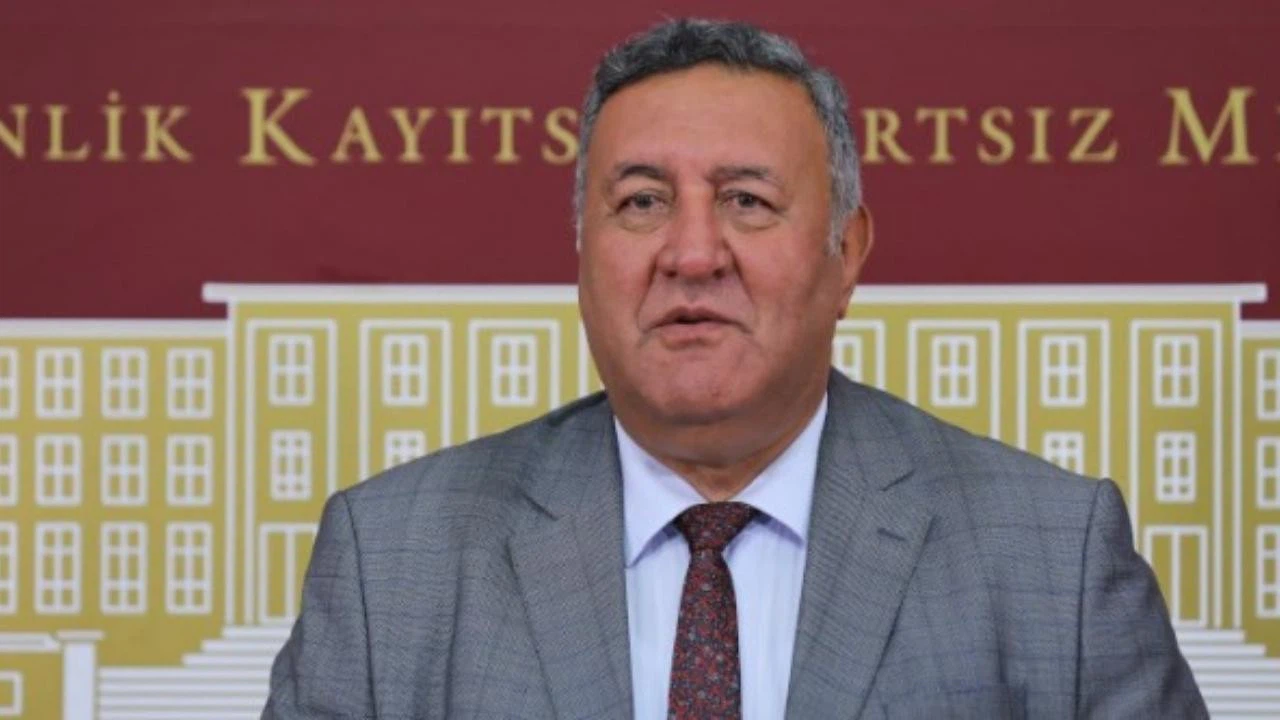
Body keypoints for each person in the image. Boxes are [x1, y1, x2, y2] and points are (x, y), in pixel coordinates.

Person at [263, 18, 1207, 719]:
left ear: (846, 253)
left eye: (747, 201)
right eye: (642, 202)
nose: (692, 253)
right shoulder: (391, 566)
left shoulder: (1053, 560)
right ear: (582, 252)